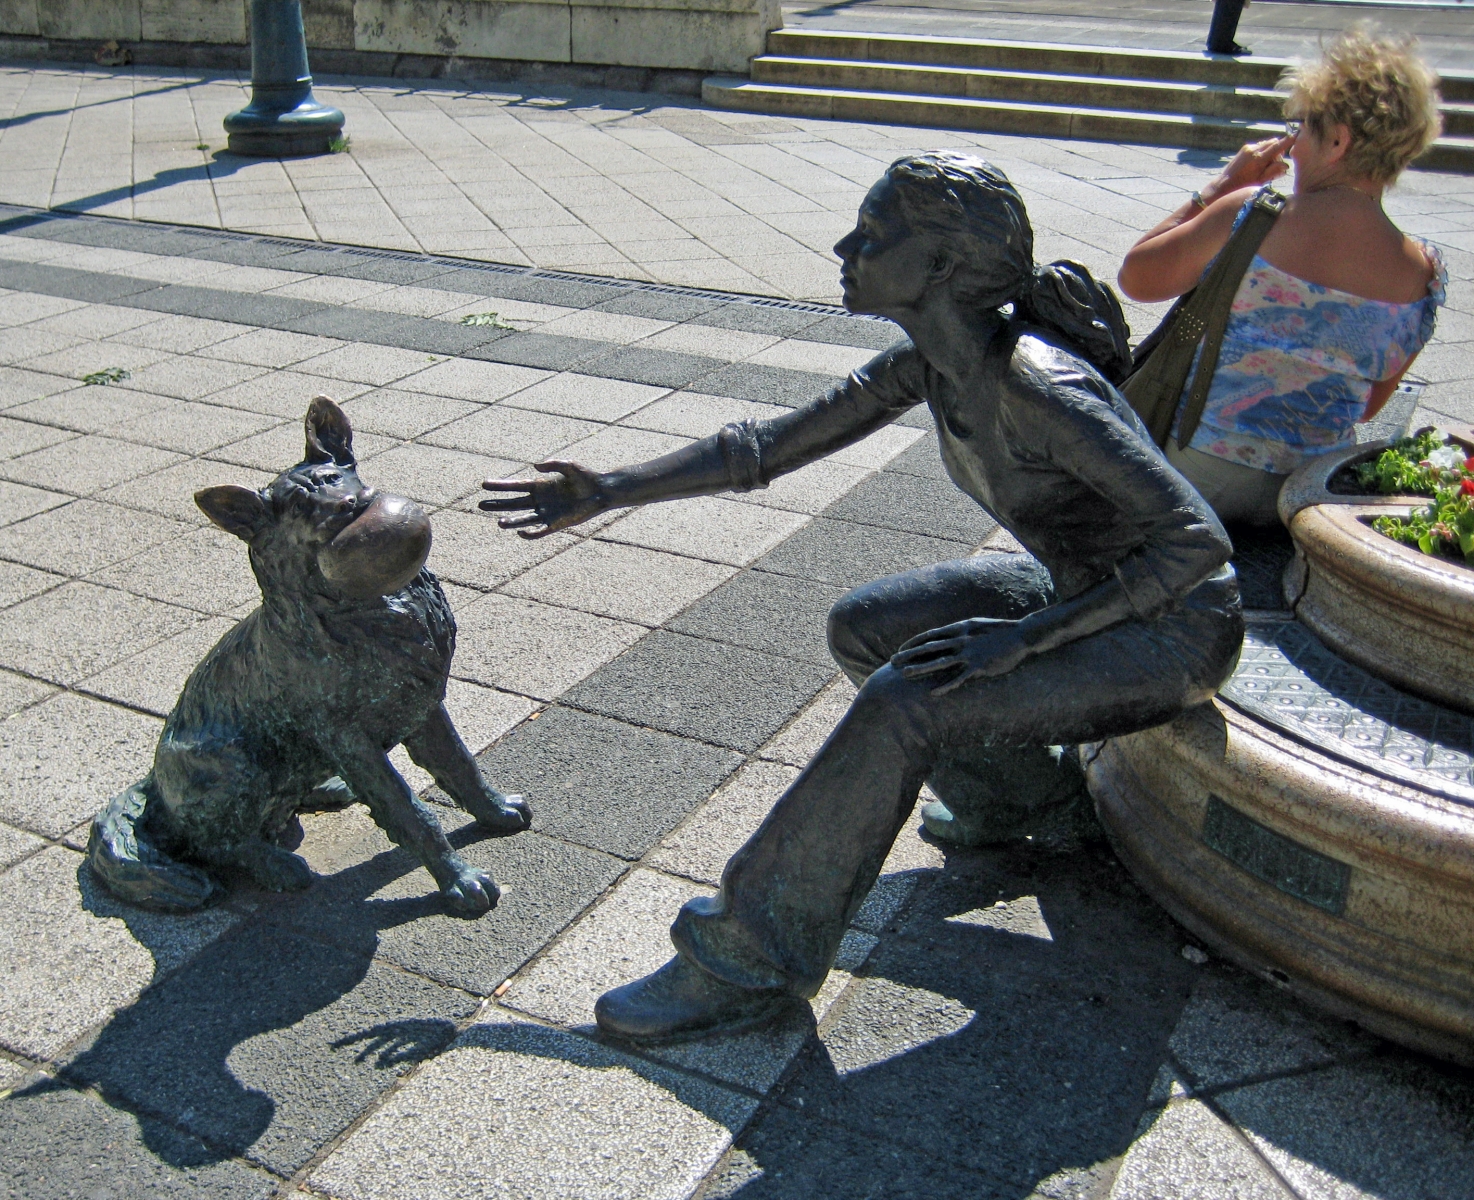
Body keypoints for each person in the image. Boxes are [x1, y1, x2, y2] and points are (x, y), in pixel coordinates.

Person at [481, 152, 1245, 1041]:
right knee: (867, 626)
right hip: (1086, 591)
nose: (847, 245)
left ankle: (747, 957)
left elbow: (1199, 543)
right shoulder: (931, 364)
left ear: (942, 269)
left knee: (907, 702)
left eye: (875, 233)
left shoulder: (1040, 387)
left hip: (1172, 628)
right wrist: (609, 488)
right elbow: (763, 448)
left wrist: (1028, 640)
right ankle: (1030, 805)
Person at [1118, 26, 1447, 527]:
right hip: (1313, 496)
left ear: (1337, 140)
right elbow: (1368, 407)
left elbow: (1136, 275)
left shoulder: (1248, 218)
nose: (1292, 149)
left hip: (1198, 480)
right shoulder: (1424, 274)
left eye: (1301, 130)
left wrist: (1221, 185)